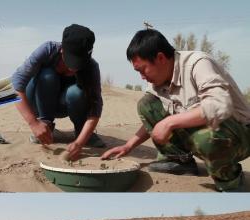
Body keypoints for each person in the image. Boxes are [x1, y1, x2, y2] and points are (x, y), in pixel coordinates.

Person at [101, 29, 250, 191]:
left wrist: (169, 122)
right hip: (215, 133)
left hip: (240, 135)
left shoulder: (198, 63)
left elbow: (220, 105)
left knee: (204, 136)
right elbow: (157, 120)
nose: (142, 77)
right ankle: (180, 161)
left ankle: (231, 183)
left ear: (160, 58)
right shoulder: (159, 79)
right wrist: (128, 146)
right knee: (147, 104)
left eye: (142, 70)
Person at [12, 24, 106, 161]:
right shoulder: (47, 50)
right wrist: (33, 123)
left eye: (79, 64)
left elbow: (95, 108)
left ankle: (81, 132)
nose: (73, 69)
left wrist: (80, 142)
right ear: (62, 50)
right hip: (38, 100)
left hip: (65, 105)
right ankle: (46, 126)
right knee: (47, 75)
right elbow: (16, 86)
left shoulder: (91, 67)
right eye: (70, 61)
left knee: (76, 92)